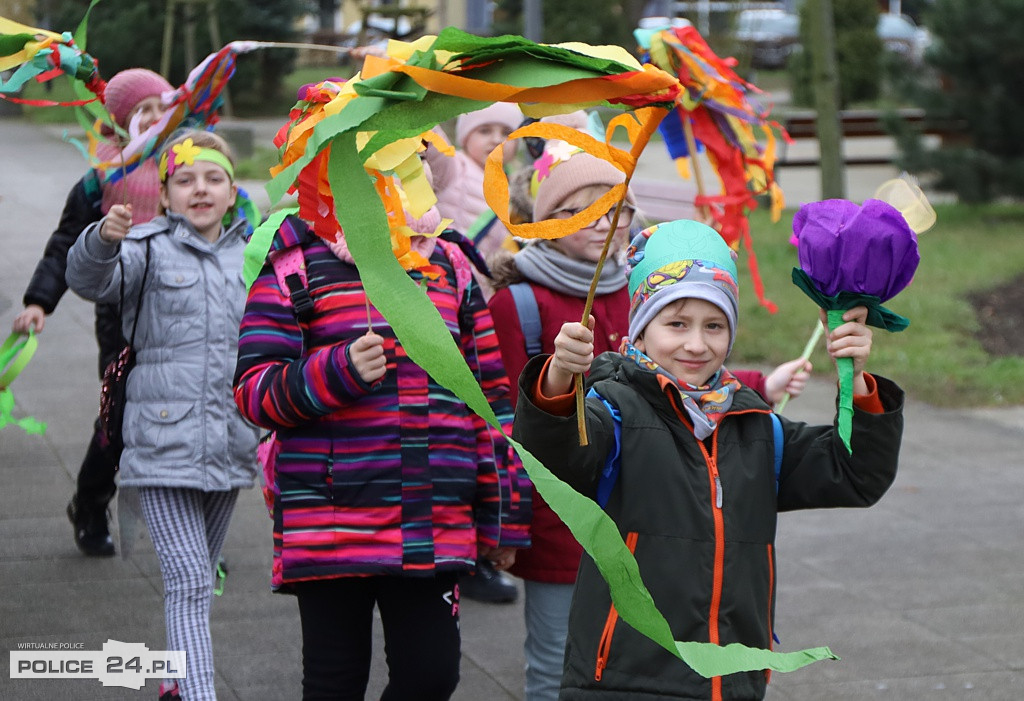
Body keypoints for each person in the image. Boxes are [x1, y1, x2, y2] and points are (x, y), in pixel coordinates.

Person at [512, 219, 904, 700]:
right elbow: (554, 457)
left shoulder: (756, 426)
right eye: (677, 323)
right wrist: (559, 377)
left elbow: (857, 475)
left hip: (731, 681)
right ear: (642, 329)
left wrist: (854, 378)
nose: (697, 344)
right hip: (625, 681)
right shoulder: (613, 412)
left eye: (714, 325)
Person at [488, 153, 811, 701]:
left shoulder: (637, 286)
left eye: (614, 210)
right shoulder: (519, 301)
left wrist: (763, 382)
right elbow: (516, 424)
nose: (601, 223)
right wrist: (504, 523)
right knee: (558, 658)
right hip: (557, 518)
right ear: (547, 222)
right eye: (580, 211)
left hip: (634, 514)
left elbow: (683, 374)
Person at [232, 198, 532, 700]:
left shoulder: (449, 265)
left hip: (434, 520)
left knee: (431, 677)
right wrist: (339, 370)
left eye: (417, 161)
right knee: (334, 683)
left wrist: (504, 513)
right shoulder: (294, 262)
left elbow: (492, 401)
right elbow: (253, 392)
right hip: (330, 521)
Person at [66, 130, 259, 701]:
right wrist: (101, 239)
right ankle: (197, 692)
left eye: (214, 178)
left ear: (231, 192)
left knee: (203, 574)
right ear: (166, 194)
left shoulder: (255, 254)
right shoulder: (145, 248)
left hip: (230, 441)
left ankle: (175, 681)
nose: (200, 189)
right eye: (185, 180)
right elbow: (87, 279)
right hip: (161, 443)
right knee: (190, 579)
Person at [12, 67, 172, 556]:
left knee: (183, 416)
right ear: (120, 121)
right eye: (142, 110)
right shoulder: (100, 176)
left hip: (181, 310)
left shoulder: (186, 162)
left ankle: (186, 524)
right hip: (120, 311)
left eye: (161, 107)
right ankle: (90, 503)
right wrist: (39, 301)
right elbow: (66, 242)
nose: (155, 118)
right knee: (119, 416)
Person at [425, 101, 524, 299]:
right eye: (484, 131)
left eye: (507, 133)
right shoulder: (453, 167)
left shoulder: (518, 189)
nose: (497, 139)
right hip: (442, 281)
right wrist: (421, 105)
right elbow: (430, 136)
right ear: (465, 137)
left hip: (482, 294)